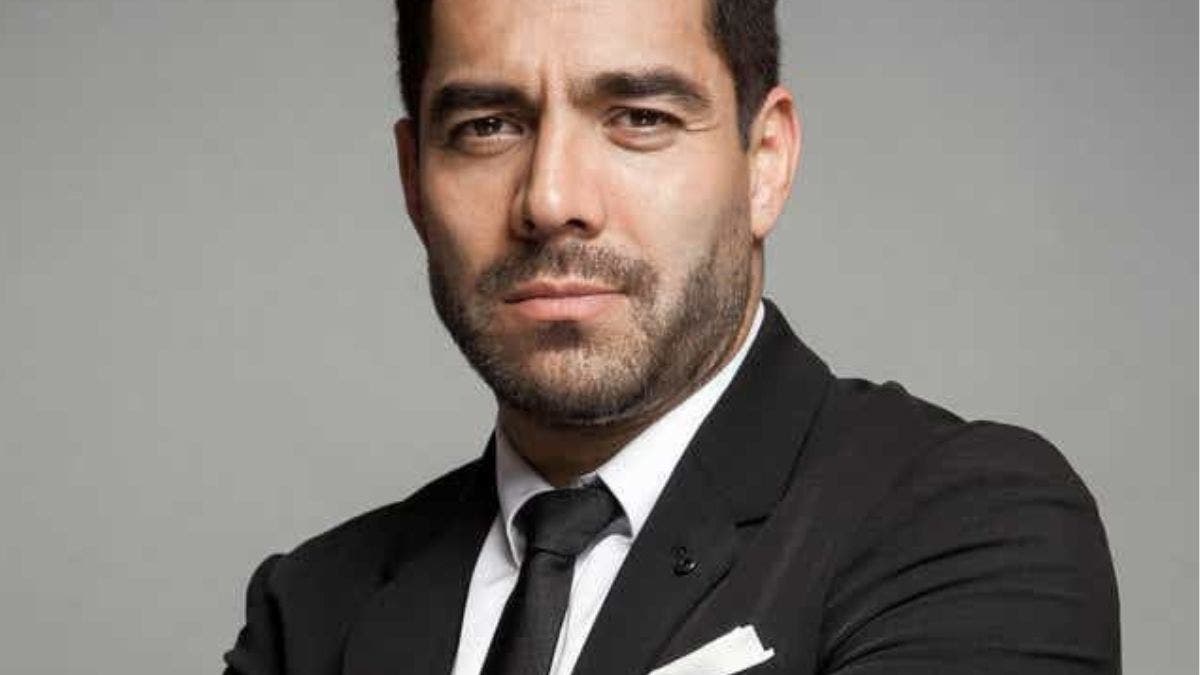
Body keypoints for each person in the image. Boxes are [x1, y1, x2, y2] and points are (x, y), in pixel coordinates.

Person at [224, 0, 1120, 673]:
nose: (551, 199)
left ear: (765, 163)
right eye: (487, 126)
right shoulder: (311, 611)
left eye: (640, 118)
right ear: (414, 181)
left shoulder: (967, 526)